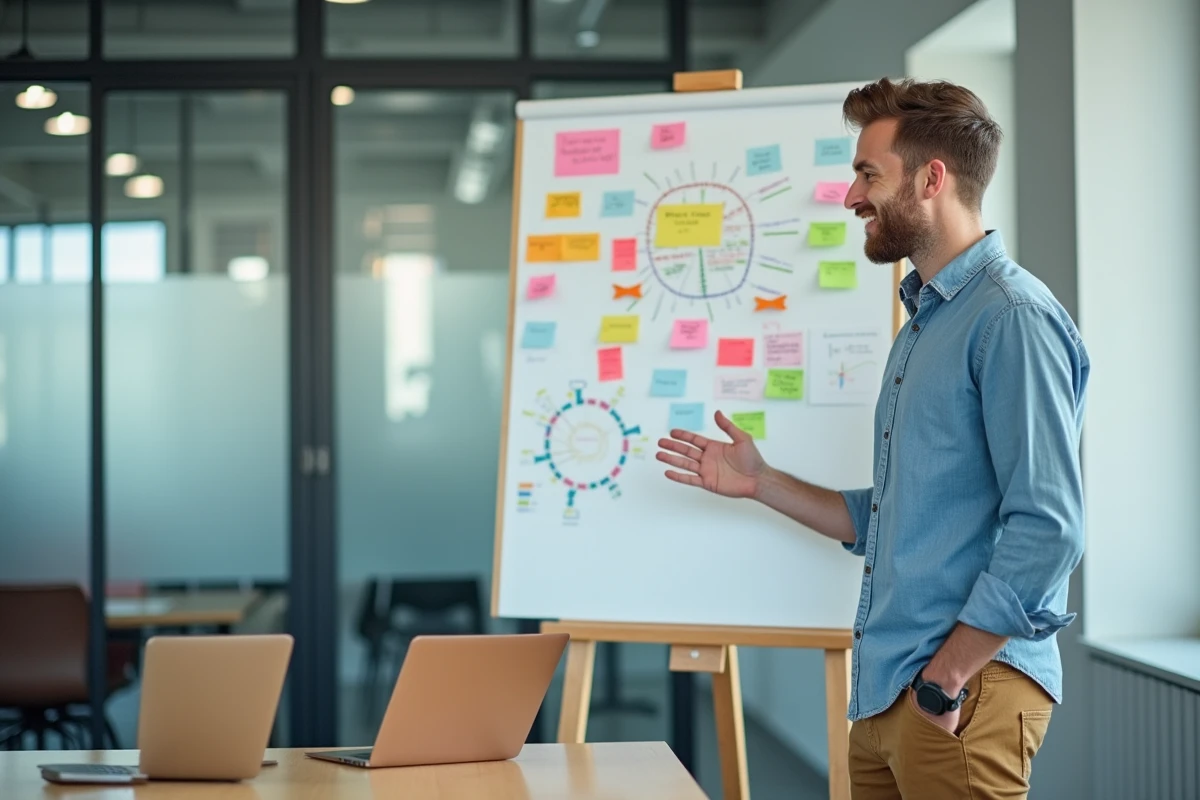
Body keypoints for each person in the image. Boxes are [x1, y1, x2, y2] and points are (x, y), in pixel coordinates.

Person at [655, 77, 1088, 799]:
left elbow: (1049, 528)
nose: (850, 196)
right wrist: (760, 482)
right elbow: (891, 516)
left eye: (867, 174)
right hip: (891, 694)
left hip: (961, 694)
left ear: (931, 179)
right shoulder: (925, 322)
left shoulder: (1010, 318)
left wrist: (946, 680)